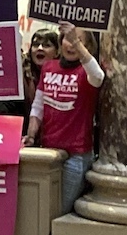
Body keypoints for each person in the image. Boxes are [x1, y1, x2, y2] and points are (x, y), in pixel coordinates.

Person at [23, 21, 105, 215]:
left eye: (78, 40)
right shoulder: (49, 67)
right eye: (67, 39)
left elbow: (99, 77)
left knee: (59, 213)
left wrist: (76, 42)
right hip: (49, 152)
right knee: (43, 212)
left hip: (76, 155)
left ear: (88, 46)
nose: (71, 44)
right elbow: (38, 105)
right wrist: (31, 135)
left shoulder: (87, 71)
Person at [24, 28, 60, 118]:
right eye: (36, 45)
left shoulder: (63, 76)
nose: (40, 48)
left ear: (57, 52)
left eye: (46, 45)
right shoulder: (22, 74)